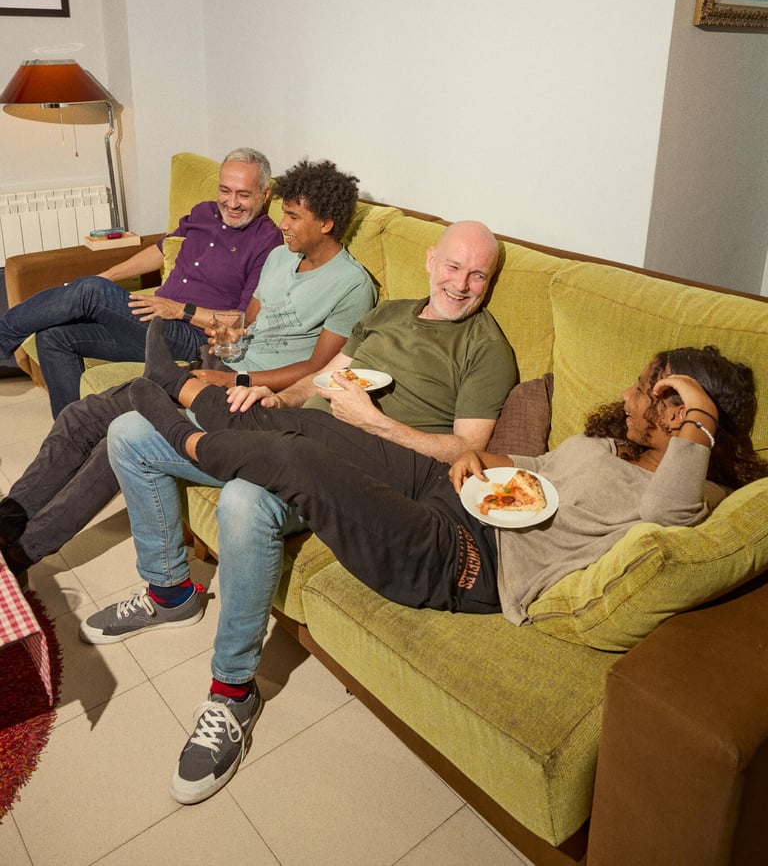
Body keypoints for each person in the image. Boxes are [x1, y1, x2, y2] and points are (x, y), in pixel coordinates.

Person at [86, 343, 764, 807]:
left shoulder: (680, 496)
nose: (628, 391)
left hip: (462, 559)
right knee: (317, 430)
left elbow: (673, 514)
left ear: (683, 417)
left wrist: (699, 412)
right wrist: (482, 457)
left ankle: (190, 432)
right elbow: (542, 468)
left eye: (650, 388)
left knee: (305, 468)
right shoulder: (616, 443)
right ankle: (194, 399)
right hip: (461, 495)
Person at [81, 219, 517, 804]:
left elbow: (468, 457)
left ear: (489, 283)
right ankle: (170, 594)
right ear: (430, 260)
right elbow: (324, 380)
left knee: (244, 497)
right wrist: (272, 395)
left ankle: (233, 694)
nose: (461, 284)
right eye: (454, 267)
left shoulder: (484, 348)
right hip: (307, 425)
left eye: (477, 275)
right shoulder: (389, 315)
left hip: (367, 476)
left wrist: (376, 423)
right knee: (130, 431)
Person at [0, 159, 376, 582]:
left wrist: (234, 378)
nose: (283, 224)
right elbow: (249, 322)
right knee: (80, 416)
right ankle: (9, 519)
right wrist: (223, 334)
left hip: (244, 396)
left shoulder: (352, 286)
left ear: (326, 222)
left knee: (120, 438)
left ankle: (22, 554)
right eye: (284, 213)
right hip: (213, 365)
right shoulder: (279, 257)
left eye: (292, 216)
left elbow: (317, 368)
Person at [0, 147, 282, 417]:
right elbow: (161, 249)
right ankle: (71, 440)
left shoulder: (267, 241)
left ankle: (3, 338)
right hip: (150, 319)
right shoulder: (203, 212)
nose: (232, 203)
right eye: (225, 191)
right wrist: (106, 277)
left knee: (91, 291)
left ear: (264, 193)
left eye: (243, 195)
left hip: (191, 335)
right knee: (54, 337)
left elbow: (241, 321)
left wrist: (179, 309)